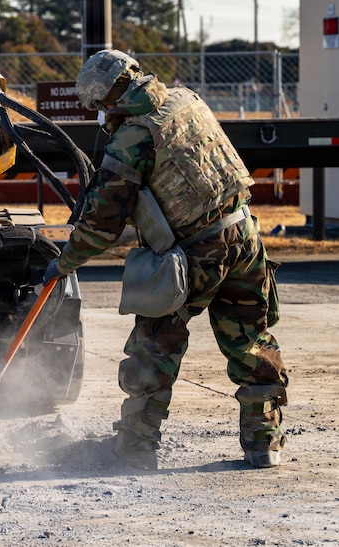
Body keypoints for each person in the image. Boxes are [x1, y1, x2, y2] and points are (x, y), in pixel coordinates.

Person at [44, 49, 287, 471]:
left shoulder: (132, 137)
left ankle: (136, 447)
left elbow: (104, 224)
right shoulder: (187, 99)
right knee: (250, 340)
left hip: (196, 253)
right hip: (244, 235)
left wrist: (64, 262)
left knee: (154, 344)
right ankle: (263, 442)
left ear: (106, 100)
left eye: (99, 107)